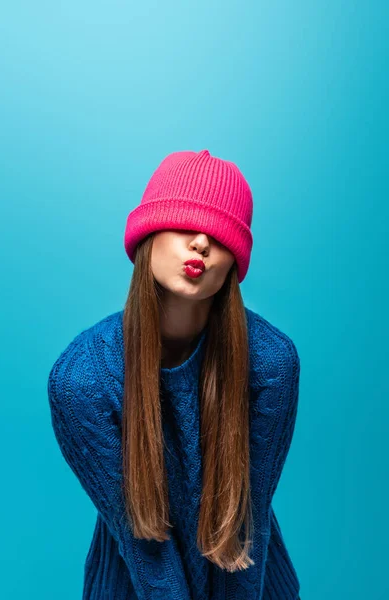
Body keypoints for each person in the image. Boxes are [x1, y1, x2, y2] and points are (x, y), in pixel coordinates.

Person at [47, 148, 302, 599]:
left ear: (234, 263)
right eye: (184, 223)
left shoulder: (271, 364)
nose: (201, 242)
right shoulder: (81, 380)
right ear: (148, 236)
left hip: (253, 584)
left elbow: (248, 524)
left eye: (221, 235)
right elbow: (146, 553)